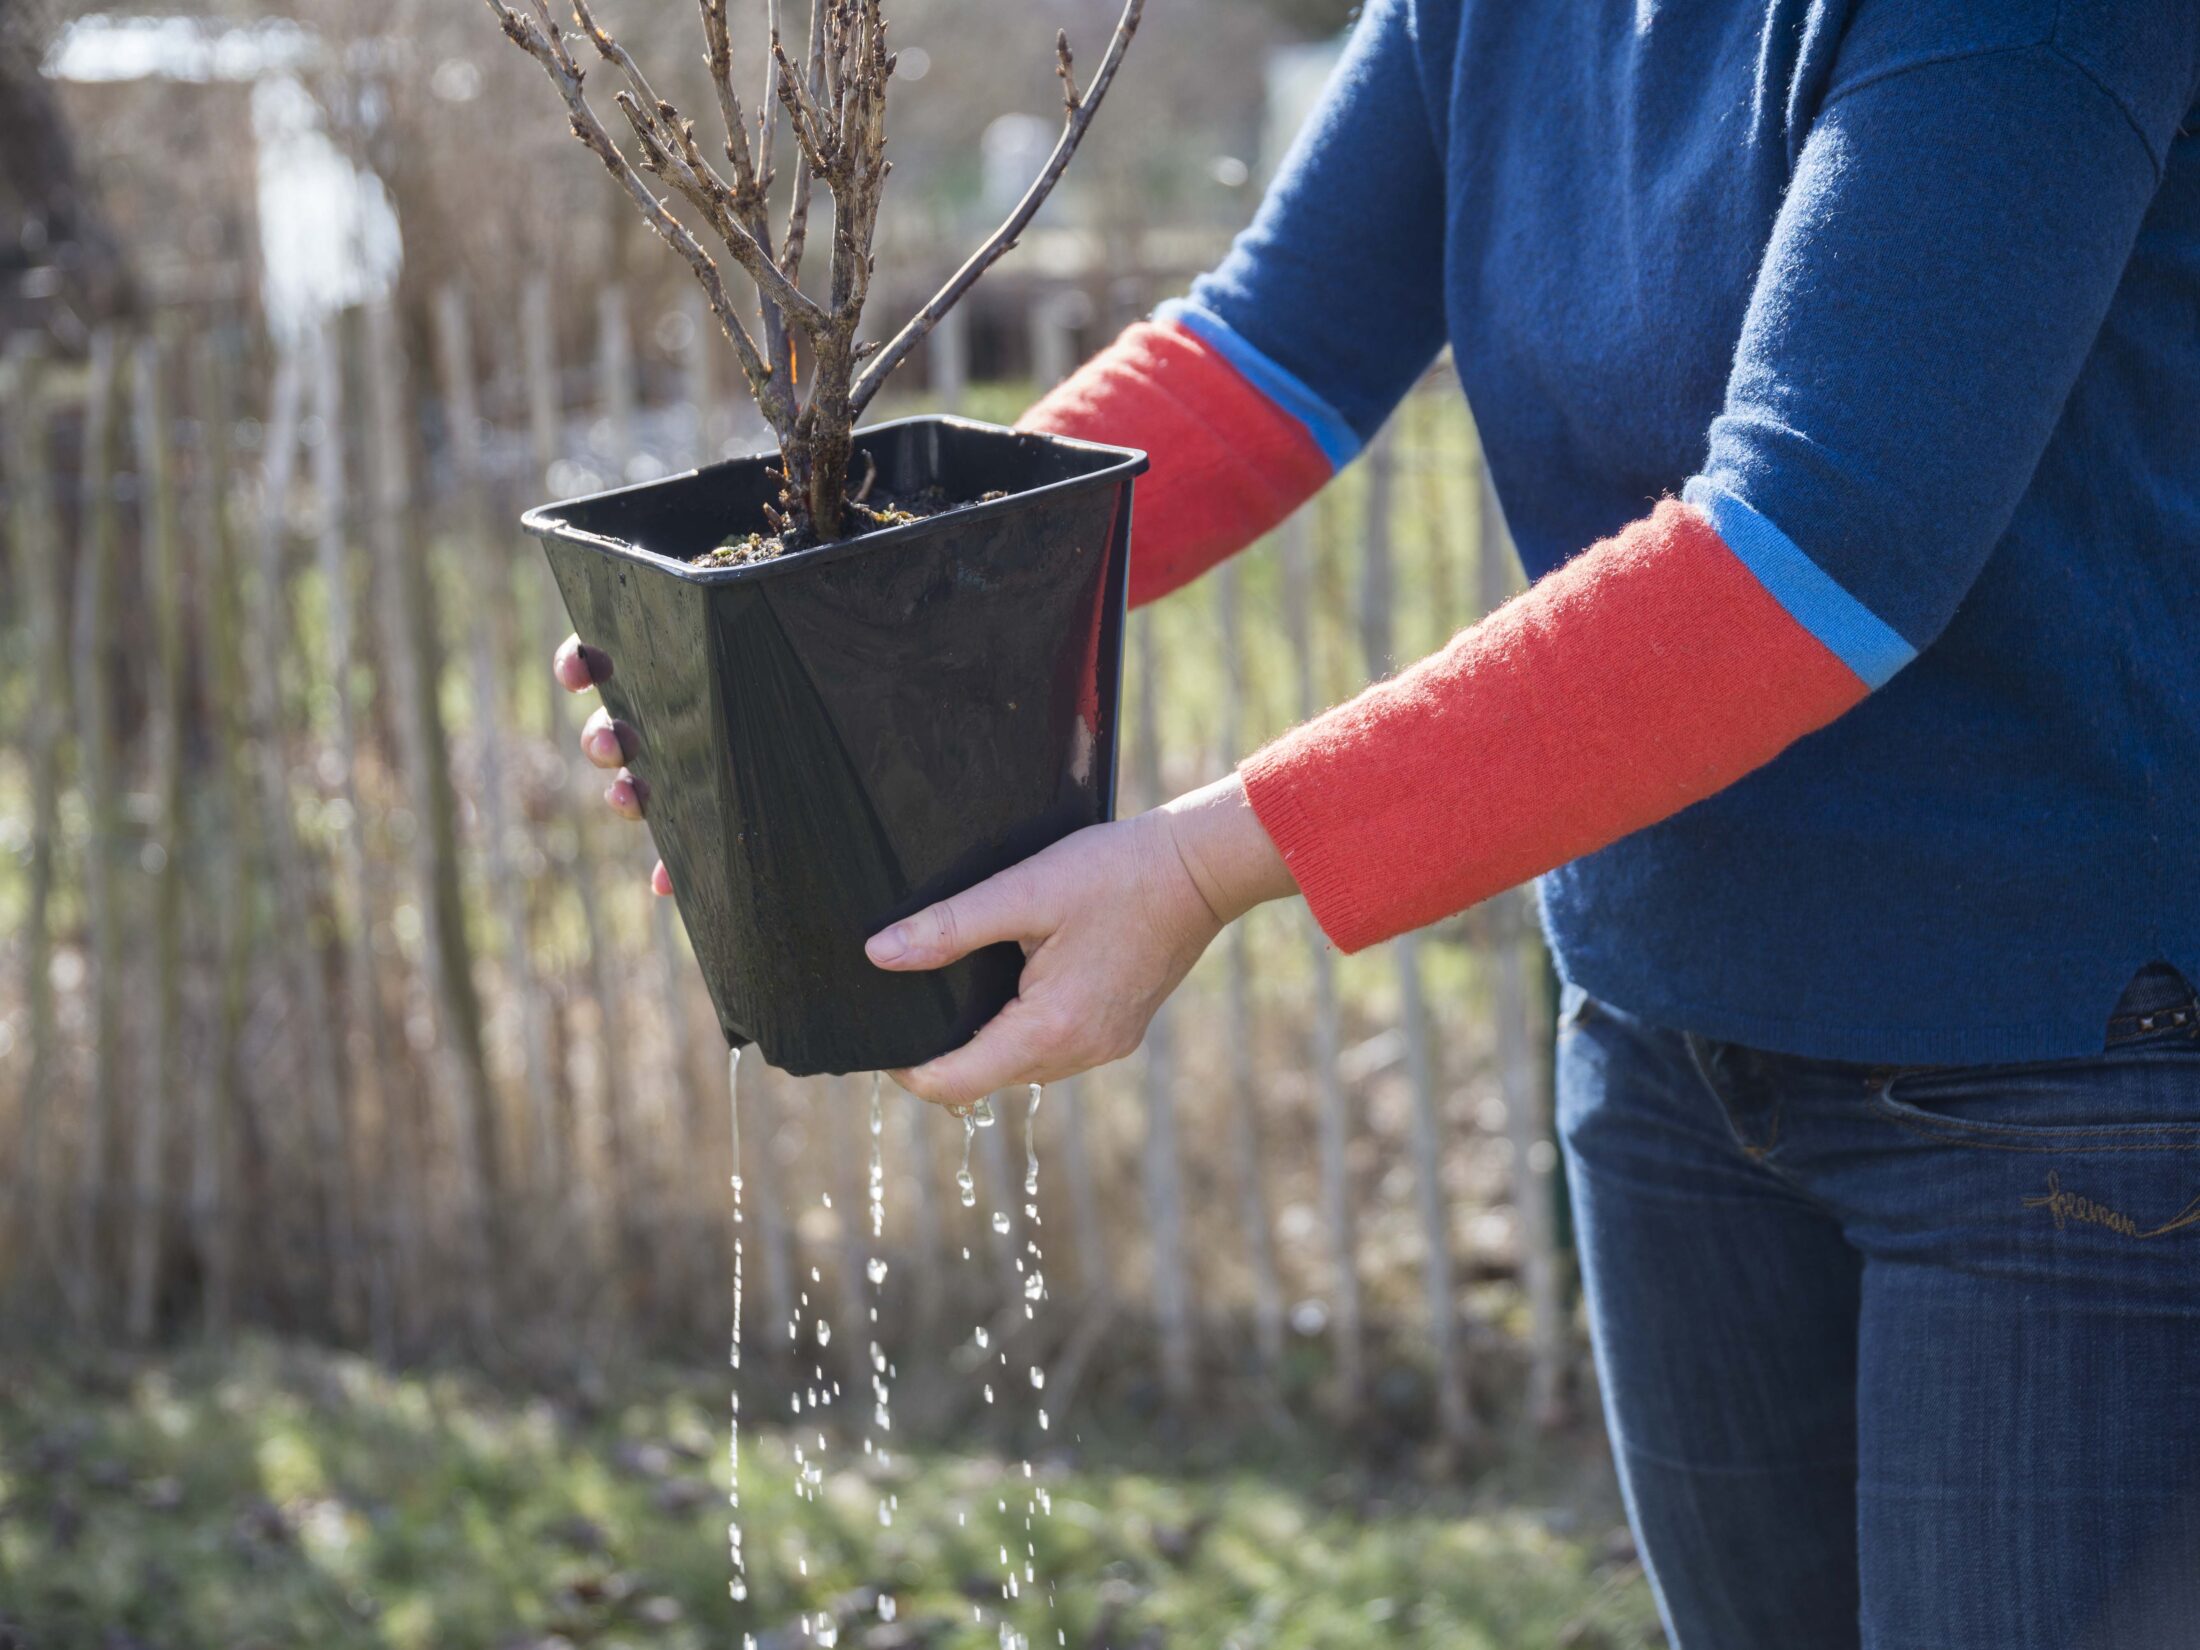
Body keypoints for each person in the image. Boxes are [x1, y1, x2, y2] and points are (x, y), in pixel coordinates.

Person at [555, 2, 2200, 1643]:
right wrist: (837, 634)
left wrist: (1208, 859)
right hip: (1664, 1046)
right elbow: (1260, 359)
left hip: (2054, 1074)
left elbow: (1809, 558)